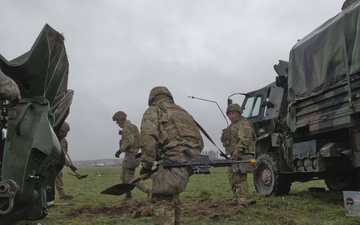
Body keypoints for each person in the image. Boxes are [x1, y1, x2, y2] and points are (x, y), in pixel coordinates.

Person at [139, 86, 204, 225]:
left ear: (152, 99)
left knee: (161, 197)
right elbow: (199, 141)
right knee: (172, 196)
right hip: (192, 160)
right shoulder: (183, 112)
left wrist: (146, 166)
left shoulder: (153, 110)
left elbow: (148, 140)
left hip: (174, 159)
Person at [221, 103, 256, 206]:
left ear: (239, 113)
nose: (231, 116)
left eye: (233, 113)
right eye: (229, 114)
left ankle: (242, 201)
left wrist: (236, 153)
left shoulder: (243, 124)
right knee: (232, 178)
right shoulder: (232, 126)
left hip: (241, 156)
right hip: (233, 157)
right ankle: (236, 199)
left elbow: (245, 139)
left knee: (240, 179)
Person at [112, 111, 151, 200]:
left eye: (117, 121)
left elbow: (129, 141)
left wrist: (120, 150)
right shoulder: (133, 127)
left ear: (121, 119)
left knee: (129, 177)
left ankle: (148, 191)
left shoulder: (127, 127)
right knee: (125, 176)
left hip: (131, 155)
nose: (117, 123)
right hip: (135, 154)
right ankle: (128, 196)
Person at [55, 121, 76, 201]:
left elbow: (64, 153)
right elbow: (60, 155)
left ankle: (62, 194)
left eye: (66, 133)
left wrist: (71, 165)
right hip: (48, 161)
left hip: (57, 163)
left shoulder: (64, 141)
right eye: (63, 132)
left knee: (58, 175)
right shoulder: (53, 138)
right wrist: (70, 165)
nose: (65, 134)